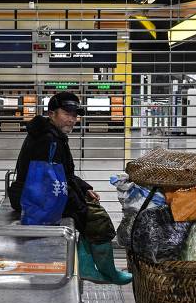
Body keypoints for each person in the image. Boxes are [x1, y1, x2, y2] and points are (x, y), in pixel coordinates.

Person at [8, 91, 131, 285]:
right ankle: (103, 271)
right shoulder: (49, 140)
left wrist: (83, 189)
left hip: (36, 193)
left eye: (75, 115)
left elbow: (62, 173)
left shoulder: (50, 134)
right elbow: (51, 183)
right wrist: (80, 204)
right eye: (66, 114)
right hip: (37, 198)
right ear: (51, 113)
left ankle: (91, 267)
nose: (72, 120)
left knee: (87, 211)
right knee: (96, 218)